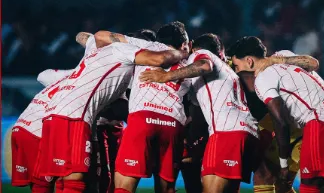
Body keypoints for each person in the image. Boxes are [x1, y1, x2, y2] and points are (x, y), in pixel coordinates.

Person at [35, 32, 189, 193]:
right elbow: (159, 59)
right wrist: (184, 53)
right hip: (75, 114)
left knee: (60, 177)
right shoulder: (123, 50)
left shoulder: (97, 49)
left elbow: (82, 36)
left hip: (52, 112)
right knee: (76, 179)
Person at [230, 36, 324, 193]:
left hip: (319, 124)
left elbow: (281, 122)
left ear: (249, 61)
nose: (236, 70)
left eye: (237, 65)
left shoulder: (263, 79)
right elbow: (313, 63)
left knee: (310, 187)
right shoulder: (284, 56)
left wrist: (284, 163)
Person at [140, 33, 259, 193]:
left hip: (226, 132)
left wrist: (166, 76)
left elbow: (204, 65)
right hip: (248, 131)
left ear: (194, 47)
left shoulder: (200, 54)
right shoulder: (227, 71)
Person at [99, 21, 192, 193]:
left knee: (124, 184)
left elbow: (102, 37)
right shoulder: (191, 62)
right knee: (167, 188)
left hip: (143, 119)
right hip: (173, 124)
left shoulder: (149, 46)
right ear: (184, 44)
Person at [11, 69, 72, 193]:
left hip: (21, 126)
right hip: (37, 130)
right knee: (45, 181)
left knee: (39, 183)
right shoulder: (84, 77)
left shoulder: (65, 77)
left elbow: (42, 76)